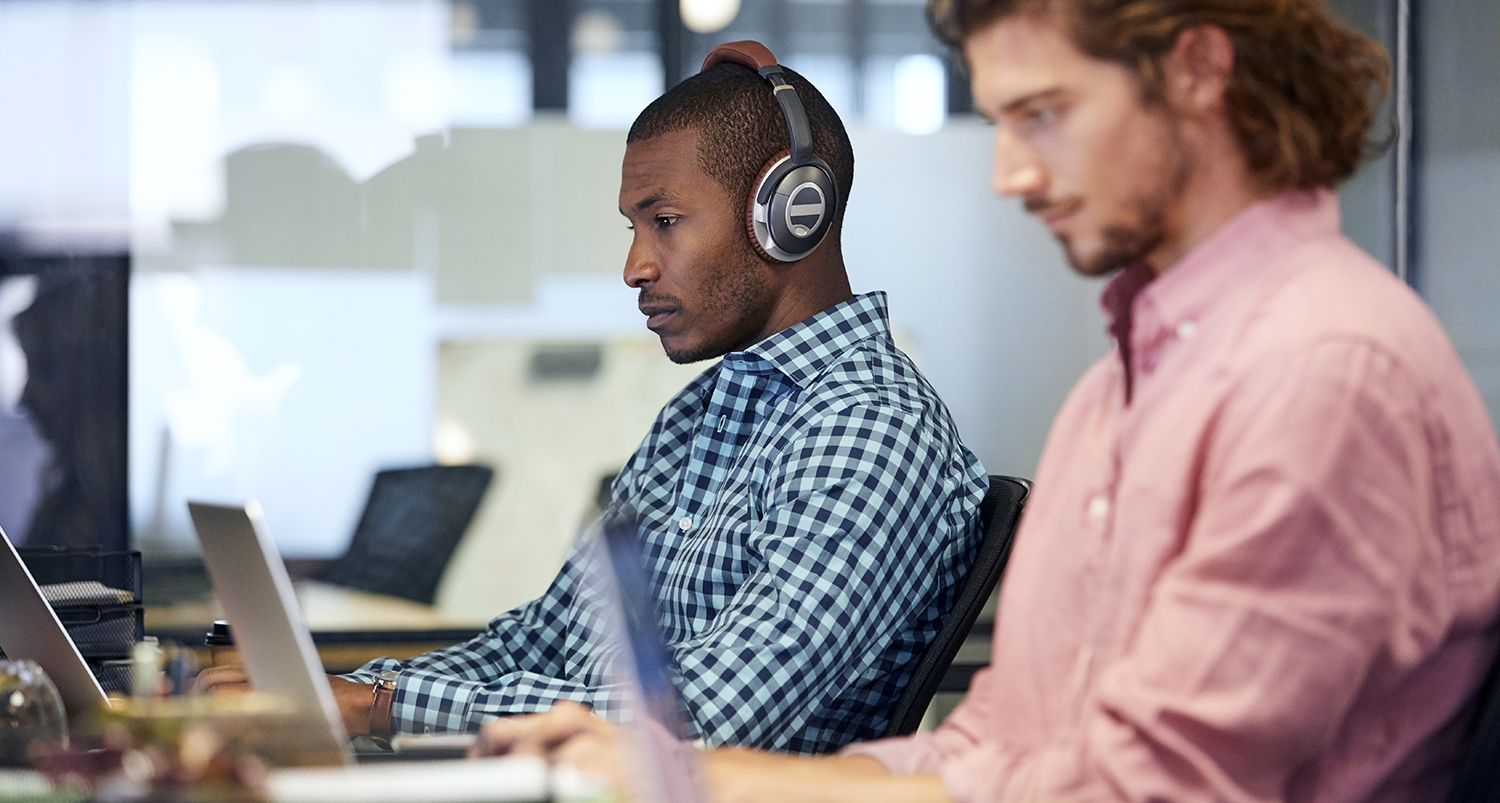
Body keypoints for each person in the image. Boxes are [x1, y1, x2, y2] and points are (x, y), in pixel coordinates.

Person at [474, 1, 1500, 800]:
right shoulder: (1118, 393)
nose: (1009, 173)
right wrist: (663, 766)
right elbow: (993, 749)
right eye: (1001, 122)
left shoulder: (1324, 367)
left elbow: (1150, 788)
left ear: (1195, 71)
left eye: (1042, 115)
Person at [199, 47, 988, 756]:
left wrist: (383, 706)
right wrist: (329, 692)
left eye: (666, 222)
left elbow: (703, 719)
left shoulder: (870, 426)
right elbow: (544, 641)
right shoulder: (704, 412)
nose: (635, 265)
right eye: (633, 226)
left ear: (790, 213)